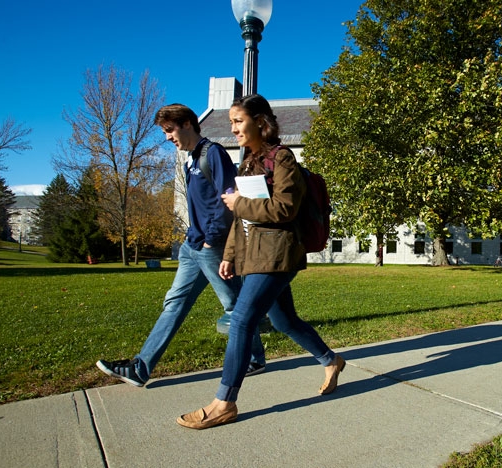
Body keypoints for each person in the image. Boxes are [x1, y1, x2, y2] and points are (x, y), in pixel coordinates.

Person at [176, 94, 345, 430]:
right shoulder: (248, 164)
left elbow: (285, 210)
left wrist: (239, 203)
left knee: (241, 320)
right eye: (232, 123)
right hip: (255, 254)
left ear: (260, 122)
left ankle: (224, 402)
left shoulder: (282, 160)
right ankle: (332, 360)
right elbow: (243, 222)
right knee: (285, 322)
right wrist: (229, 255)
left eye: (239, 121)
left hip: (279, 253)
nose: (234, 128)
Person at [96, 103, 266, 387]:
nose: (167, 137)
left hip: (212, 247)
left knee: (235, 304)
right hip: (192, 246)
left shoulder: (213, 154)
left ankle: (254, 358)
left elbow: (226, 201)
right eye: (164, 132)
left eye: (169, 130)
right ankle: (141, 367)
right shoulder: (190, 159)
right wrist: (195, 236)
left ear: (187, 123)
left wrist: (212, 240)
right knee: (174, 303)